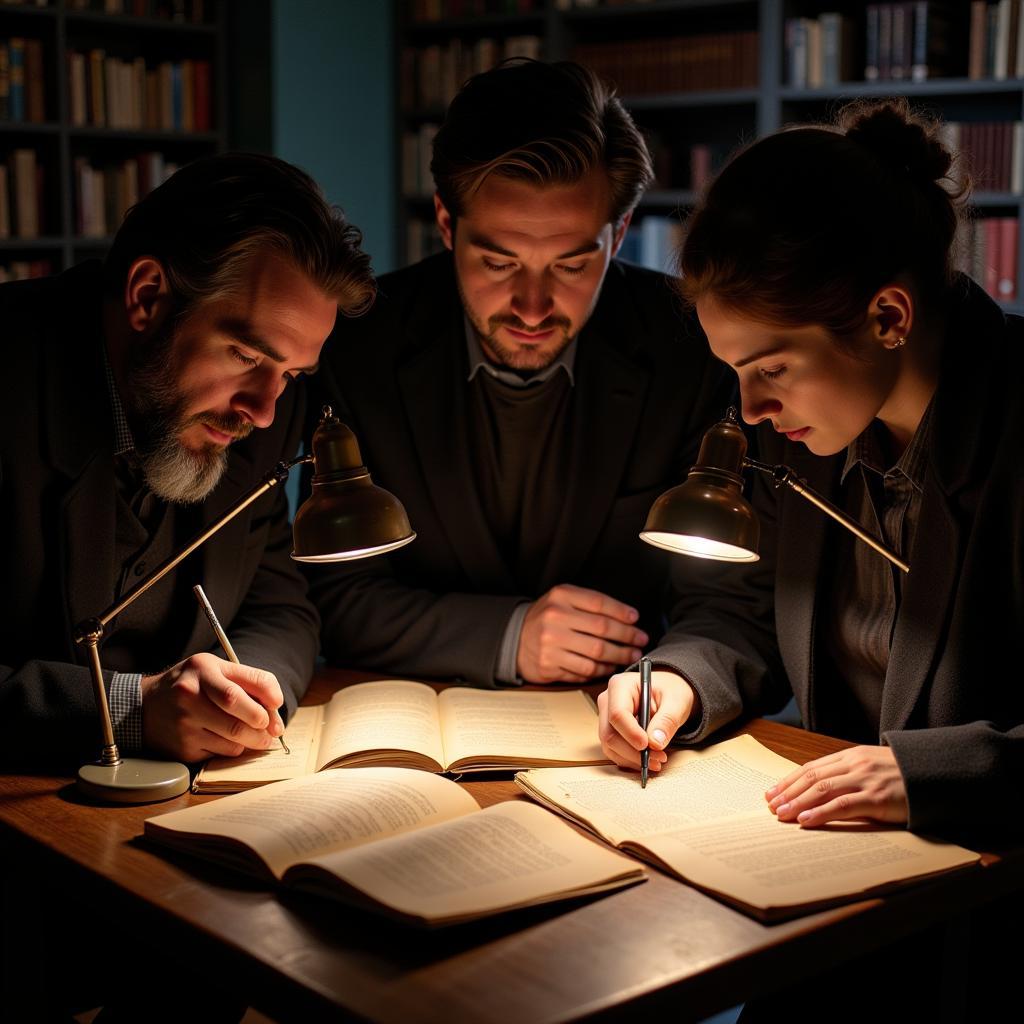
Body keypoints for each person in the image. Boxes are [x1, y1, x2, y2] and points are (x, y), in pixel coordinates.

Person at [597, 98, 1020, 1018]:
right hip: (836, 904)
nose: (746, 410)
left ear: (888, 315)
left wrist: (930, 771)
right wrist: (680, 680)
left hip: (985, 925)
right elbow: (747, 612)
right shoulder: (810, 439)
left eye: (769, 367)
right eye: (733, 371)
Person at [307, 59, 730, 687]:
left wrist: (678, 681)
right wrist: (508, 635)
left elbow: (731, 604)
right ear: (447, 226)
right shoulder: (353, 342)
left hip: (622, 725)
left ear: (618, 237)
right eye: (499, 263)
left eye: (570, 265)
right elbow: (334, 596)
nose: (533, 307)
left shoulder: (696, 349)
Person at [0, 152, 375, 770]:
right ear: (148, 298)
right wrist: (128, 710)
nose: (264, 412)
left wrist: (247, 697)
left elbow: (281, 608)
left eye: (291, 373)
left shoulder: (259, 413)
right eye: (246, 357)